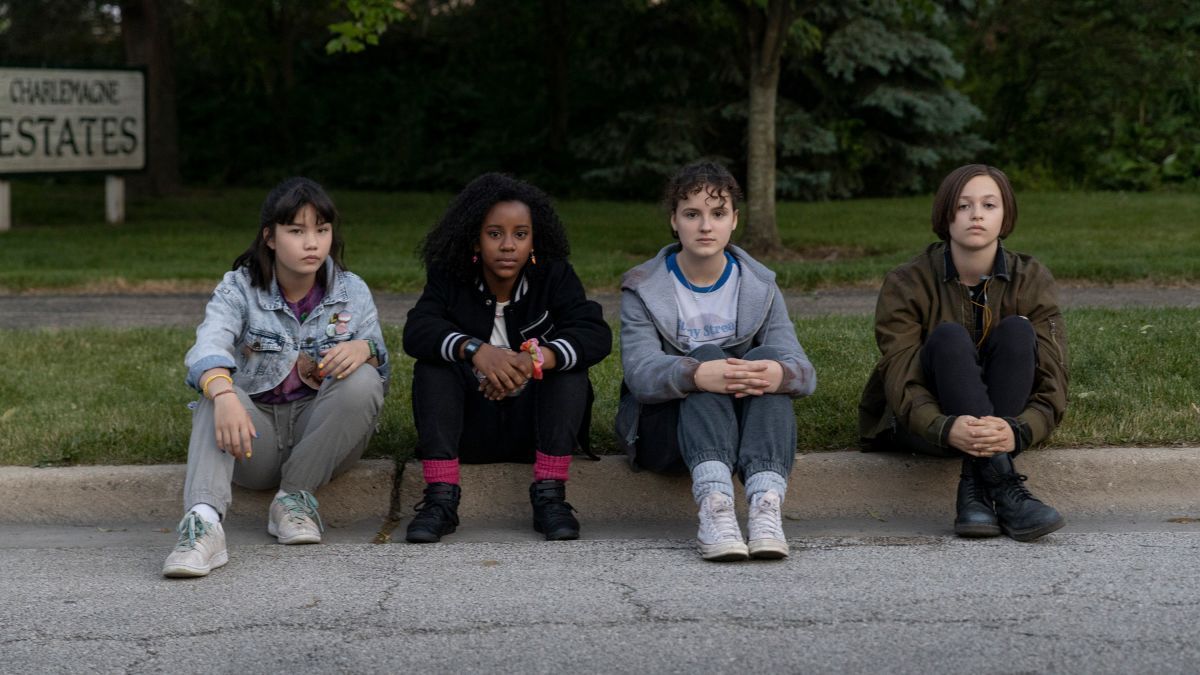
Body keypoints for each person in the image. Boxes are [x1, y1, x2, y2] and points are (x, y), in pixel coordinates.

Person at [162, 177, 388, 578]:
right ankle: (203, 527)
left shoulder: (351, 290)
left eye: (321, 230)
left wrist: (365, 349)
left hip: (319, 437)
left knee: (363, 380)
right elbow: (208, 347)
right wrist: (225, 394)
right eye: (296, 231)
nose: (312, 243)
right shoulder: (239, 288)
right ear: (270, 237)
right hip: (253, 440)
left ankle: (294, 499)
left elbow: (379, 377)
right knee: (214, 392)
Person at [615, 161, 816, 562]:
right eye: (692, 214)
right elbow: (640, 374)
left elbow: (803, 372)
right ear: (674, 221)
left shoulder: (759, 285)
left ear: (734, 221)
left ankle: (765, 507)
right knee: (705, 357)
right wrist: (698, 373)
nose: (705, 226)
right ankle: (715, 508)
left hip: (743, 433)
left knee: (768, 362)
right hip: (665, 435)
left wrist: (779, 373)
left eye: (718, 213)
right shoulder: (643, 286)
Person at [859, 164, 1067, 542]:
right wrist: (945, 427)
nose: (976, 215)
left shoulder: (1032, 278)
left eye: (989, 205)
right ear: (945, 214)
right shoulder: (906, 283)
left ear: (1005, 216)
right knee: (950, 338)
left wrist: (1017, 430)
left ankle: (975, 488)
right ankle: (1006, 489)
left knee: (1019, 331)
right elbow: (900, 375)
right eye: (963, 206)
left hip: (1007, 417)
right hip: (927, 425)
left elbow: (1054, 377)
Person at [402, 173, 611, 543]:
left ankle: (550, 497)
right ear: (475, 238)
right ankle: (440, 499)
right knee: (433, 367)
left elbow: (594, 332)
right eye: (494, 233)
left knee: (568, 369)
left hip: (535, 428)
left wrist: (534, 361)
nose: (507, 245)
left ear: (535, 238)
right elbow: (418, 330)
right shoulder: (449, 277)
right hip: (469, 426)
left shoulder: (554, 276)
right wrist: (477, 351)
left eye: (520, 233)